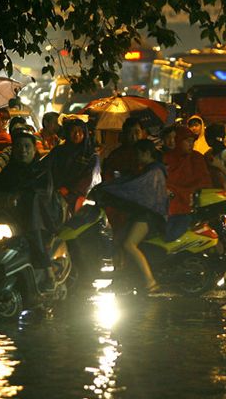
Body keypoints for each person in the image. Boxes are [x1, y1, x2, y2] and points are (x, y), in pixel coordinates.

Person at [0, 124, 62, 281]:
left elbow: (42, 198)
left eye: (27, 146)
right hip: (11, 220)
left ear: (34, 149)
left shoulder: (41, 172)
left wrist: (21, 197)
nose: (23, 150)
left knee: (33, 218)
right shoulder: (8, 172)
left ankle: (47, 269)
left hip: (38, 221)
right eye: (19, 147)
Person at [99, 140, 169, 293]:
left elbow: (133, 187)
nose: (136, 157)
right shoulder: (148, 170)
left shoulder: (154, 172)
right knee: (119, 241)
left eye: (138, 153)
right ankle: (122, 279)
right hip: (142, 214)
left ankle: (151, 282)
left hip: (149, 216)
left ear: (146, 153)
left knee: (129, 244)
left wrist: (111, 188)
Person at [43, 115, 100, 213]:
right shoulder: (58, 151)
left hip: (77, 197)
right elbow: (45, 168)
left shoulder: (90, 156)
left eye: (80, 131)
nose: (77, 134)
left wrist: (69, 190)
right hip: (53, 192)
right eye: (73, 131)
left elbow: (88, 180)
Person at [163, 125, 212, 217]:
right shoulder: (167, 158)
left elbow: (204, 183)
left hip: (193, 204)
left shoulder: (197, 158)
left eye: (192, 141)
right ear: (178, 141)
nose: (191, 144)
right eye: (187, 141)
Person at [204, 123, 226, 194]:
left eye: (208, 136)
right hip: (211, 191)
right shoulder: (209, 152)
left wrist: (219, 166)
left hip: (225, 192)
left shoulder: (225, 152)